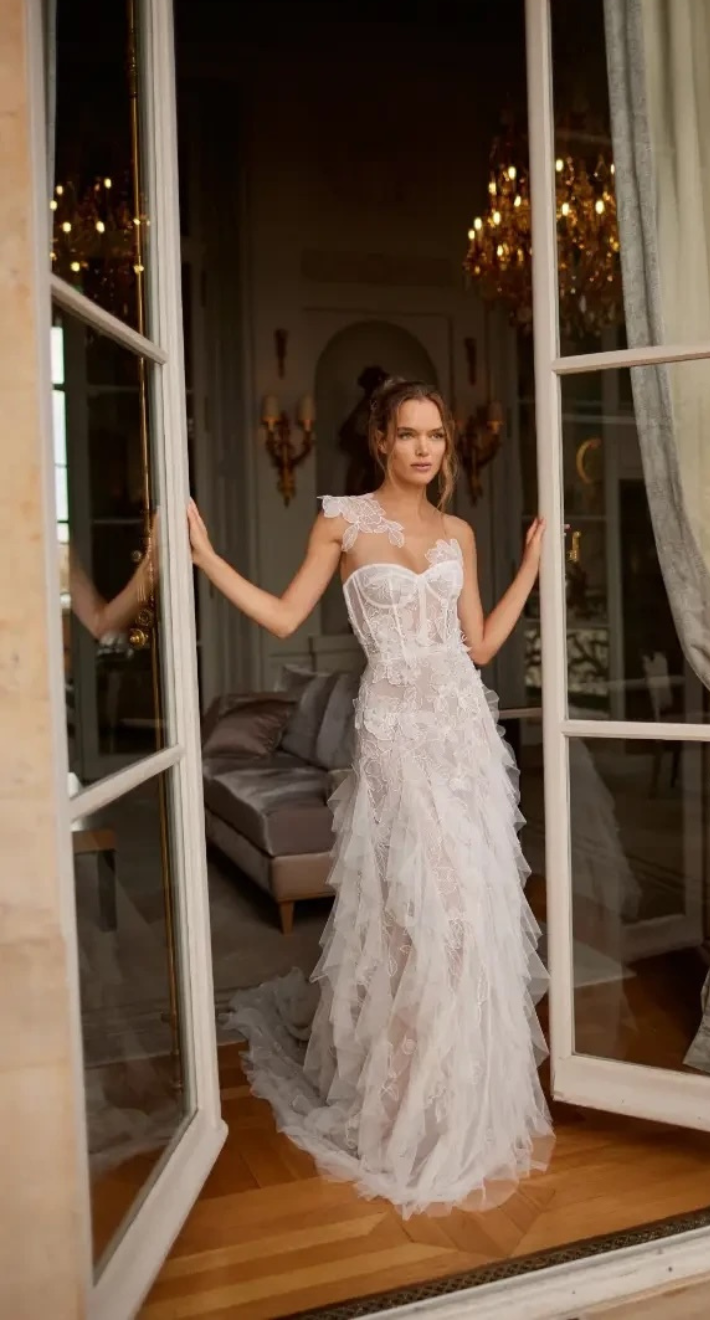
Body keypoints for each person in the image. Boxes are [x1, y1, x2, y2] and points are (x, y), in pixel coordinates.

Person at [187, 376, 554, 1217]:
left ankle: (465, 1102)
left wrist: (531, 566)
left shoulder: (457, 529)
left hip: (463, 734)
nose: (425, 448)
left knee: (472, 914)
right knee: (413, 915)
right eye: (410, 434)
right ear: (381, 441)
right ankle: (400, 1110)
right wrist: (208, 562)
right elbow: (284, 617)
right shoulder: (342, 521)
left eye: (437, 437)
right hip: (393, 738)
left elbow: (482, 645)